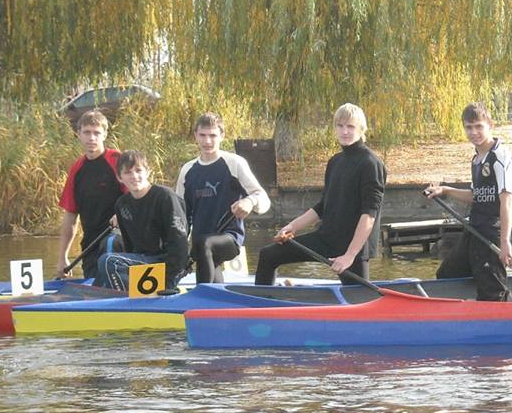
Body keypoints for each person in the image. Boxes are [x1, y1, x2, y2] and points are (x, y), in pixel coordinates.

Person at [254, 103, 386, 286]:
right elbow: (323, 207)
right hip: (326, 238)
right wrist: (292, 227)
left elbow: (369, 215)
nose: (345, 131)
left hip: (352, 247)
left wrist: (349, 256)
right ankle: (263, 305)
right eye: (340, 126)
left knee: (359, 298)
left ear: (362, 129)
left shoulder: (371, 163)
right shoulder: (335, 161)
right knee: (268, 255)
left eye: (350, 126)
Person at [424, 102, 512, 301]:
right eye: (469, 127)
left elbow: (506, 201)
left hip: (491, 232)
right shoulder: (476, 159)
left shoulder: (501, 156)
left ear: (490, 125)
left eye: (478, 126)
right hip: (474, 229)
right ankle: (473, 302)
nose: (474, 132)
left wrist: (505, 242)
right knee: (446, 274)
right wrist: (445, 190)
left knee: (495, 298)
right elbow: (477, 196)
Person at [176, 112, 271, 283]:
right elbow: (180, 215)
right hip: (200, 245)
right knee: (202, 247)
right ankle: (215, 302)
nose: (207, 141)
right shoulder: (187, 170)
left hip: (229, 238)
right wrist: (178, 248)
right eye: (202, 135)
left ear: (222, 136)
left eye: (213, 135)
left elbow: (263, 199)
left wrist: (249, 201)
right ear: (195, 136)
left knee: (204, 243)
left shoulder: (234, 163)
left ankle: (203, 298)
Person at [97, 150, 189, 292]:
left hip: (166, 265)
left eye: (138, 170)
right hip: (142, 261)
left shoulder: (165, 197)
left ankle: (124, 302)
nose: (134, 176)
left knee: (109, 261)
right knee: (108, 253)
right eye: (128, 172)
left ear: (148, 172)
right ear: (120, 178)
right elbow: (129, 246)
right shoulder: (121, 204)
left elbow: (180, 244)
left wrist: (168, 283)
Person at [55, 110, 125, 282]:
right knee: (95, 287)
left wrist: (122, 212)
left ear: (105, 135)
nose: (91, 138)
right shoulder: (77, 169)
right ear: (78, 134)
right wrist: (62, 256)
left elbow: (139, 195)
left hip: (118, 241)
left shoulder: (117, 160)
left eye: (96, 133)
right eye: (87, 132)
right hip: (90, 246)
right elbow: (71, 216)